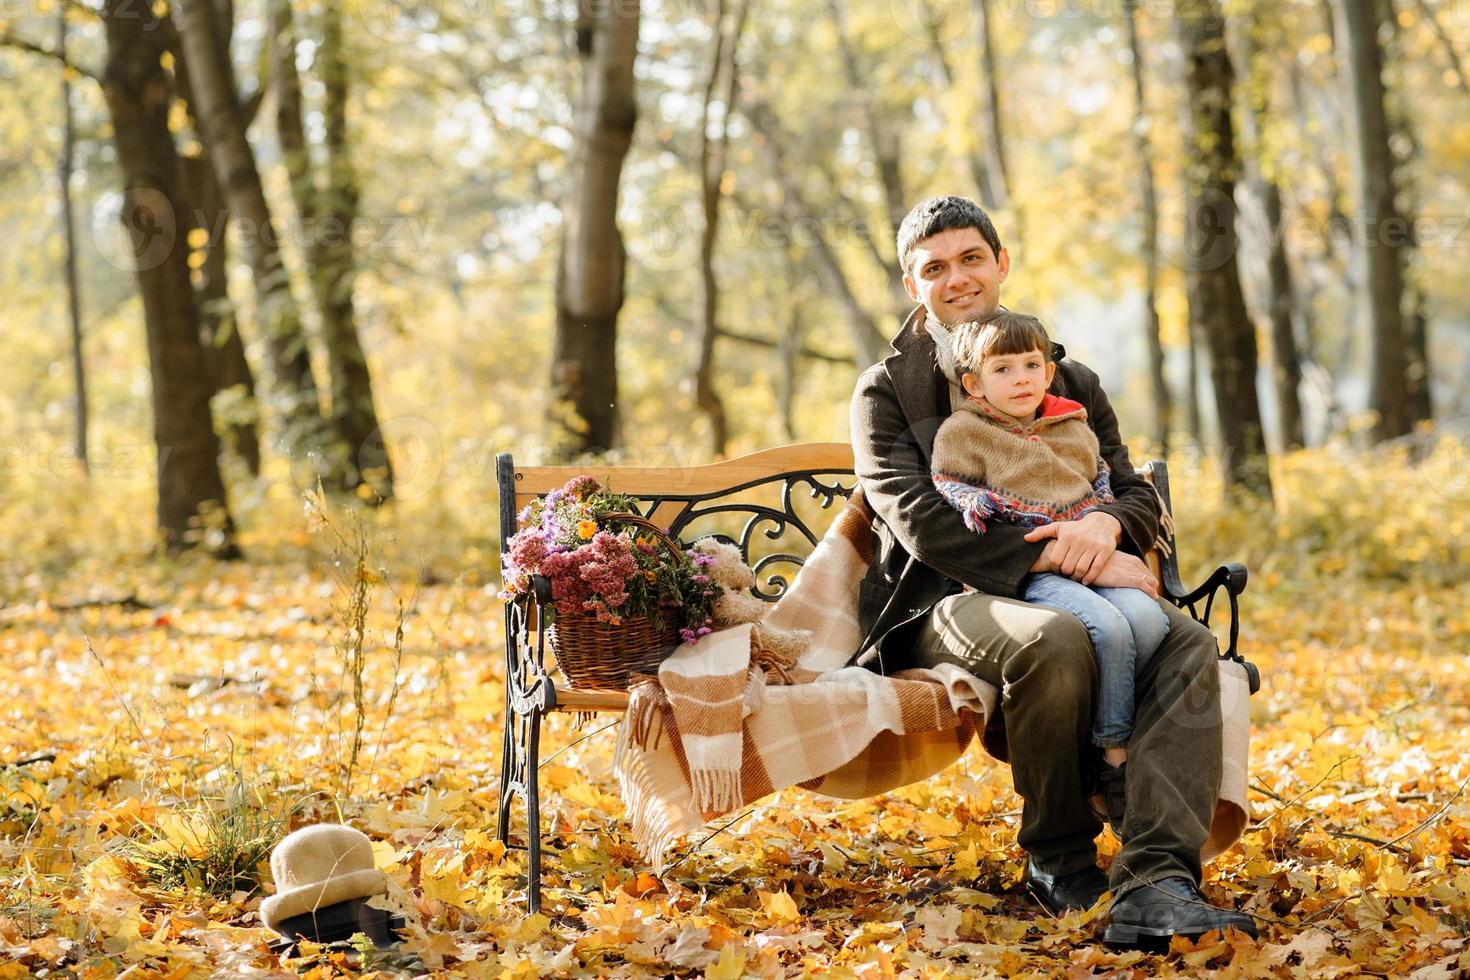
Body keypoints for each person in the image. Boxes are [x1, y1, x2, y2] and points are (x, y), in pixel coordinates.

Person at [848, 195, 1257, 947]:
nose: (957, 278)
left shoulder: (1063, 372)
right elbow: (917, 518)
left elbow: (1132, 488)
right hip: (946, 598)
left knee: (1188, 642)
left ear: (1001, 263)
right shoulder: (887, 389)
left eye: (972, 258)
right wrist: (1060, 553)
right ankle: (1059, 857)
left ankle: (1157, 879)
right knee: (1054, 638)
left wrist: (1106, 526)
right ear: (914, 286)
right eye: (934, 268)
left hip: (1086, 578)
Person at [930, 310, 1171, 830]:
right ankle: (1112, 758)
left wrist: (1103, 527)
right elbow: (948, 484)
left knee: (1151, 621)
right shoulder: (965, 431)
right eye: (1003, 370)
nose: (1020, 379)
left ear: (1047, 371)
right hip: (1033, 568)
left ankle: (1094, 738)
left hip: (1092, 555)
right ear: (973, 384)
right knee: (1104, 627)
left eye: (1030, 365)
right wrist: (975, 501)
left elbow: (1104, 481)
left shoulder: (1071, 424)